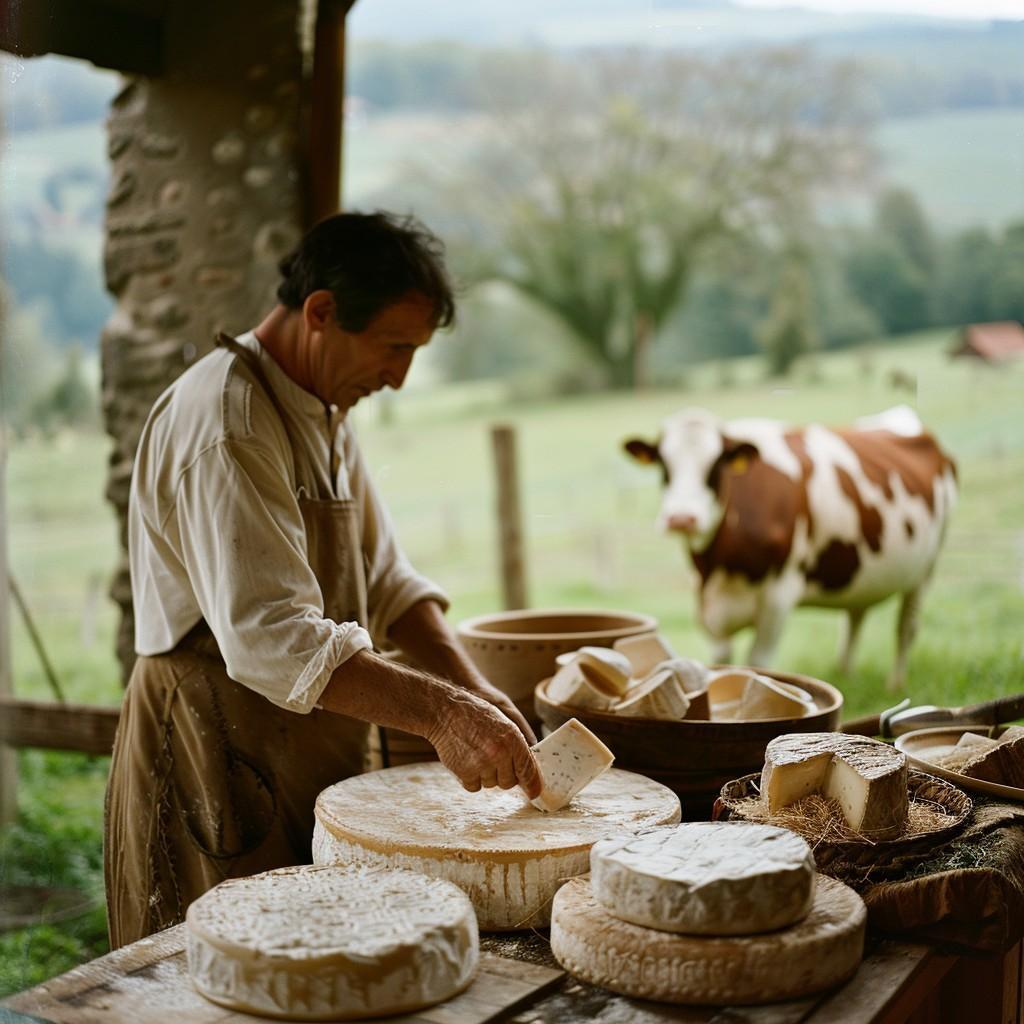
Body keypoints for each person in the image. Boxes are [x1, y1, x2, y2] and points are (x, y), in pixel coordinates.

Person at [104, 211, 541, 948]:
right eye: (393, 348)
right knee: (220, 977)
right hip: (214, 746)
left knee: (319, 964)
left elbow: (388, 580)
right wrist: (442, 716)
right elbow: (272, 639)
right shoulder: (229, 420)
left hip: (303, 740)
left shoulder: (324, 409)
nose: (399, 378)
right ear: (322, 313)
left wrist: (475, 690)